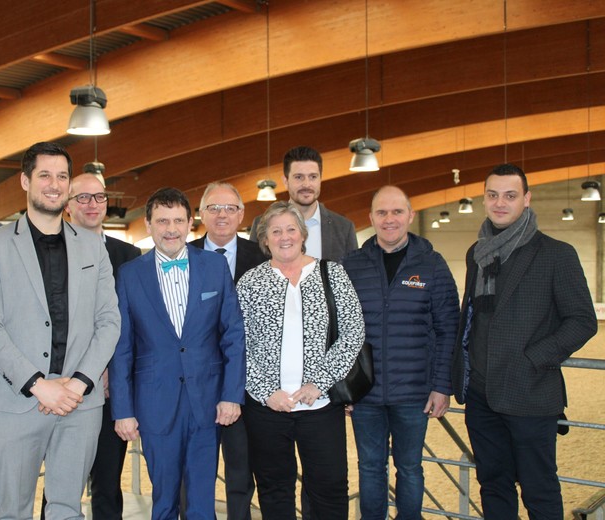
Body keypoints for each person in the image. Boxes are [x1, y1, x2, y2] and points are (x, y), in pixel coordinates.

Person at [0, 142, 121, 519]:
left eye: (61, 176)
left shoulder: (92, 246)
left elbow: (109, 321)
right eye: (44, 175)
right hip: (16, 401)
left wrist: (79, 383)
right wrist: (38, 384)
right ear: (25, 181)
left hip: (79, 402)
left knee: (68, 508)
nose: (54, 184)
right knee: (12, 511)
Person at [451, 163, 597, 519]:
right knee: (493, 484)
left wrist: (534, 358)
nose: (500, 203)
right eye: (493, 195)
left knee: (539, 488)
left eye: (510, 195)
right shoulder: (477, 253)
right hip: (481, 395)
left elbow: (582, 321)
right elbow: (472, 317)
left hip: (530, 393)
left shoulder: (555, 254)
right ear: (485, 198)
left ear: (526, 199)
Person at [108, 187, 246, 520]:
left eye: (178, 221)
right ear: (148, 224)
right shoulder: (129, 275)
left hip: (207, 401)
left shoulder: (214, 267)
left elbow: (233, 335)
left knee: (202, 503)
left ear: (190, 224)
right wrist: (122, 410)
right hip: (155, 403)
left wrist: (232, 396)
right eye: (162, 221)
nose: (171, 229)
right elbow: (122, 348)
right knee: (164, 501)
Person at [237, 201, 365, 520]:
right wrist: (267, 390)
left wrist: (318, 384)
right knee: (274, 489)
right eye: (275, 231)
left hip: (320, 408)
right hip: (267, 409)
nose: (284, 237)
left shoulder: (331, 273)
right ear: (264, 239)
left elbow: (353, 332)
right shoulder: (250, 282)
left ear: (303, 234)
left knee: (330, 488)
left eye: (291, 229)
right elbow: (236, 343)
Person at [342, 186, 459, 519]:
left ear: (410, 215)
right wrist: (345, 388)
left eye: (396, 212)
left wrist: (441, 386)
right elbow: (340, 331)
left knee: (409, 467)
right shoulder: (353, 265)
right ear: (371, 219)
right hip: (365, 394)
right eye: (381, 213)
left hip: (414, 392)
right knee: (369, 468)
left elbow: (447, 328)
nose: (389, 220)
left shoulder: (433, 265)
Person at [39, 172, 141, 520]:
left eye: (98, 197)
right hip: (61, 388)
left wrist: (115, 373)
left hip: (112, 389)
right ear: (67, 206)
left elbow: (131, 323)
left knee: (107, 482)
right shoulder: (50, 250)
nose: (92, 205)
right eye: (82, 198)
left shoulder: (128, 254)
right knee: (57, 482)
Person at [189, 181, 266, 520]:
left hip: (245, 386)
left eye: (229, 209)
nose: (222, 215)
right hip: (193, 383)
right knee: (191, 473)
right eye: (214, 208)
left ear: (242, 215)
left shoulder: (263, 259)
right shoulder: (181, 256)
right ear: (201, 213)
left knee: (240, 474)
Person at [250, 145, 357, 261]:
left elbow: (353, 275)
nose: (306, 184)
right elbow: (251, 269)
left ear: (320, 179)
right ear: (286, 181)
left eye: (313, 177)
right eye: (299, 177)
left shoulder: (344, 228)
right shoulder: (261, 224)